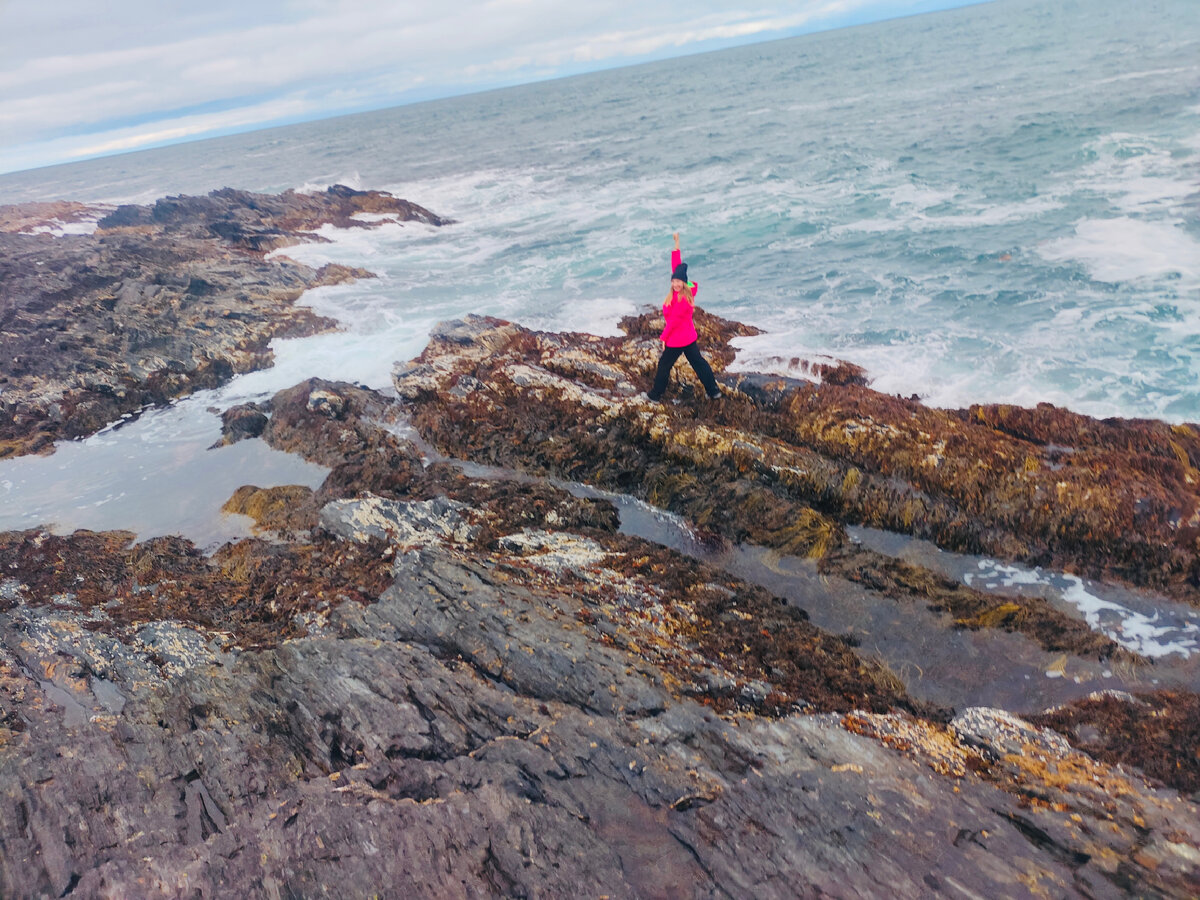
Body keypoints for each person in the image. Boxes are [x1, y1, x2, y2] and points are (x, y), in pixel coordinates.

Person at [646, 232, 721, 401]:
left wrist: (663, 338)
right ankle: (714, 391)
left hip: (677, 339)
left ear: (684, 282)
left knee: (664, 365)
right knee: (699, 363)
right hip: (689, 337)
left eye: (679, 282)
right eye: (673, 281)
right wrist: (677, 243)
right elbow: (677, 267)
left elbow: (673, 322)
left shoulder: (684, 300)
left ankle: (655, 395)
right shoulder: (686, 290)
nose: (675, 284)